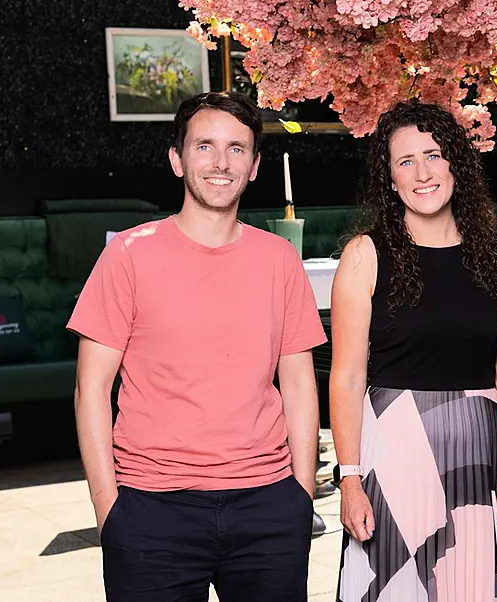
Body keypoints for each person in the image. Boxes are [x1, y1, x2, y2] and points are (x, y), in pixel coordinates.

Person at [69, 91, 326, 601]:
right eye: (204, 145)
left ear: (254, 167)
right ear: (176, 158)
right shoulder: (127, 255)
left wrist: (300, 495)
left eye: (237, 149)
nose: (220, 162)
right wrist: (108, 509)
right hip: (151, 508)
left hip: (268, 506)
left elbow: (298, 382)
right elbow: (90, 387)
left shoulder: (279, 259)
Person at [329, 101, 497, 601]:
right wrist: (350, 480)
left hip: (478, 452)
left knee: (473, 586)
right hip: (391, 450)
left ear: (455, 165)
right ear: (390, 179)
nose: (422, 173)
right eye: (405, 162)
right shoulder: (365, 255)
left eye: (434, 155)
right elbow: (348, 377)